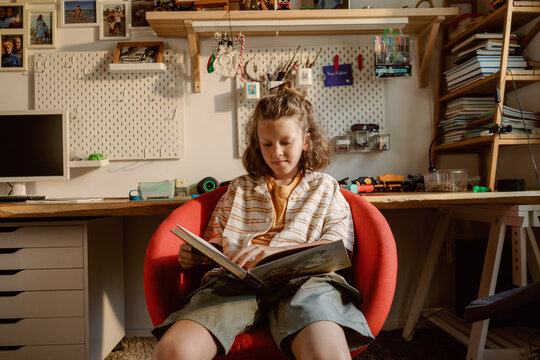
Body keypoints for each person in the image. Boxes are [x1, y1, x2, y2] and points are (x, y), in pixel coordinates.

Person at [150, 80, 374, 360]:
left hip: (308, 284)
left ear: (305, 141)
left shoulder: (326, 188)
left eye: (285, 142)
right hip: (234, 285)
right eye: (267, 143)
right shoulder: (239, 188)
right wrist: (199, 254)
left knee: (326, 353)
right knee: (172, 352)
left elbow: (338, 248)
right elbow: (217, 240)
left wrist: (274, 252)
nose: (276, 152)